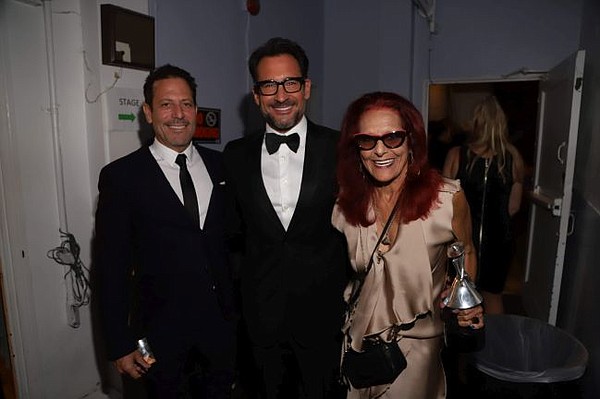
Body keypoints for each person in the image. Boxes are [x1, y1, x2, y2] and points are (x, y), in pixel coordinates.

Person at [95, 64, 236, 398]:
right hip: (159, 341)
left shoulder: (223, 166)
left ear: (196, 111)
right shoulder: (121, 177)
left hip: (220, 336)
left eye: (186, 104)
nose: (178, 114)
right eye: (166, 104)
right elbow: (109, 268)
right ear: (147, 112)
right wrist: (119, 344)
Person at [333, 92, 484, 398]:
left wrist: (464, 300)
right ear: (356, 148)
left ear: (411, 142)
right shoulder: (345, 207)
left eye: (392, 138)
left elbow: (465, 251)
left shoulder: (446, 200)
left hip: (418, 345)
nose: (379, 151)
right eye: (367, 140)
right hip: (359, 343)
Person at [223, 37, 349, 399]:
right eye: (269, 85)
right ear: (256, 94)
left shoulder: (342, 149)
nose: (281, 95)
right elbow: (232, 236)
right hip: (260, 322)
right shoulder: (235, 155)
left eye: (290, 82)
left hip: (324, 317)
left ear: (306, 88)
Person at [442, 95, 525, 315]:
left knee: (458, 293)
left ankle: (459, 344)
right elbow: (514, 207)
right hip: (499, 240)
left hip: (460, 237)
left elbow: (443, 201)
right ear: (501, 123)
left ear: (476, 122)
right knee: (492, 296)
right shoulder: (513, 157)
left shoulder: (456, 155)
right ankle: (494, 347)